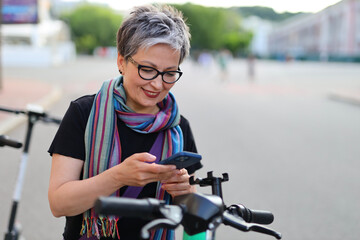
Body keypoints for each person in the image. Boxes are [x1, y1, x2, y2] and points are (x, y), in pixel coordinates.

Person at [48, 5, 202, 240]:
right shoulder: (84, 113)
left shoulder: (179, 127)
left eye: (169, 73)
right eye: (147, 69)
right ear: (122, 61)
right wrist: (118, 177)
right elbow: (59, 204)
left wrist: (185, 191)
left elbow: (191, 210)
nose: (157, 84)